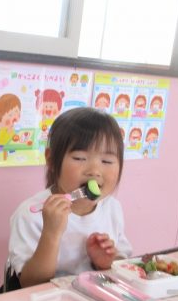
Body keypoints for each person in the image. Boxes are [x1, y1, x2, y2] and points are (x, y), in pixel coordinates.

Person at [7, 107, 132, 288]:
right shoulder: (31, 214)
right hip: (45, 300)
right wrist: (51, 233)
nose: (94, 171)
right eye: (80, 158)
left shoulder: (112, 208)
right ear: (51, 160)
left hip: (93, 298)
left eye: (107, 161)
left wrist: (105, 262)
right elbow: (30, 283)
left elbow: (122, 266)